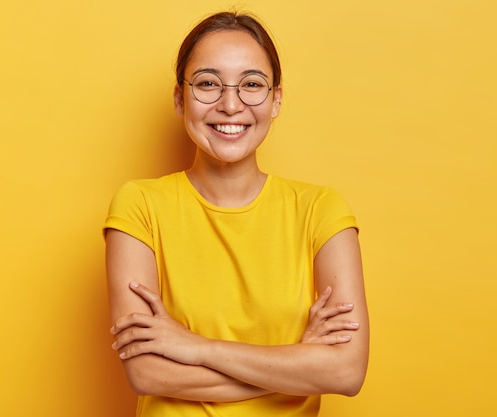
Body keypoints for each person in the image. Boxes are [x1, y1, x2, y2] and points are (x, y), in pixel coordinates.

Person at [104, 11, 369, 417]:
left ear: (276, 99)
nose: (231, 105)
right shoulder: (139, 206)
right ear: (180, 98)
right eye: (208, 83)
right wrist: (298, 363)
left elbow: (346, 372)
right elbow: (147, 373)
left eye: (252, 85)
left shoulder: (321, 211)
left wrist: (195, 347)